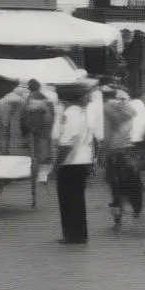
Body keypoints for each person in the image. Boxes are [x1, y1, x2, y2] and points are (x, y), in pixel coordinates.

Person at [52, 82, 101, 245]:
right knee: (78, 199)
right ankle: (80, 233)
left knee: (67, 200)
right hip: (83, 160)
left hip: (70, 162)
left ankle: (71, 235)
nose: (87, 97)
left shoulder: (70, 113)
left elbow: (67, 142)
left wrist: (56, 166)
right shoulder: (84, 113)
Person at [103, 87, 143, 227]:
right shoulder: (132, 112)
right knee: (132, 183)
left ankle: (117, 216)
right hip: (129, 152)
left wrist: (104, 154)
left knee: (115, 186)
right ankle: (136, 207)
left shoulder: (106, 110)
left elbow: (106, 137)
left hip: (114, 152)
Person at [21, 80, 56, 189]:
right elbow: (52, 114)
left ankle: (38, 176)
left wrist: (29, 129)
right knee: (45, 151)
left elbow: (28, 116)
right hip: (47, 128)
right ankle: (44, 175)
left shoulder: (30, 98)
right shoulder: (46, 98)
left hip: (37, 129)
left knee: (37, 154)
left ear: (30, 88)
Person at [0, 82, 27, 156]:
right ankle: (3, 150)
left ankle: (1, 149)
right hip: (5, 111)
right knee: (5, 130)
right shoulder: (19, 98)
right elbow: (24, 111)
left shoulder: (11, 95)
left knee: (1, 129)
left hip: (1, 107)